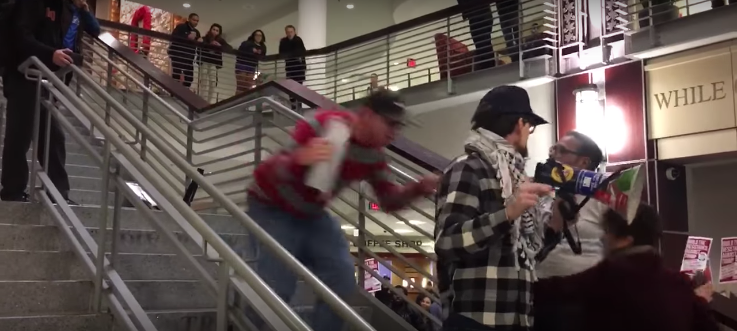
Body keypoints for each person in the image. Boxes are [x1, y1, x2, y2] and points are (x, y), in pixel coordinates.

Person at [245, 89, 438, 330]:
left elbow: (388, 200)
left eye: (398, 126)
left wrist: (419, 187)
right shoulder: (325, 125)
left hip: (311, 214)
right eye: (389, 123)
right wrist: (299, 158)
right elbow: (266, 174)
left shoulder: (373, 156)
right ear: (367, 115)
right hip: (270, 206)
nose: (393, 133)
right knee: (277, 283)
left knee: (342, 277)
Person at [434, 85, 559, 331]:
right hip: (475, 320)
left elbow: (521, 257)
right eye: (530, 127)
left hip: (514, 319)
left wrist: (554, 228)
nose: (529, 134)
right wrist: (508, 213)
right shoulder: (469, 167)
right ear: (520, 123)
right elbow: (447, 242)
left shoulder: (515, 177)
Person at [533, 204, 721, 331]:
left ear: (625, 240)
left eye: (607, 232)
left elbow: (546, 291)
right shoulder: (678, 283)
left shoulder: (608, 277)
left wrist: (552, 232)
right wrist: (700, 302)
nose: (602, 238)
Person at [0, 0, 99, 204]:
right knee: (20, 134)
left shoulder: (62, 7)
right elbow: (21, 36)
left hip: (45, 77)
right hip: (24, 74)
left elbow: (91, 30)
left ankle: (58, 193)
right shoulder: (32, 4)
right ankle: (12, 190)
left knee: (53, 136)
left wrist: (58, 58)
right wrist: (50, 54)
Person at [533, 131, 607, 331]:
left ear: (584, 162)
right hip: (540, 292)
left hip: (585, 298)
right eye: (553, 149)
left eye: (561, 150)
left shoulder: (604, 197)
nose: (552, 154)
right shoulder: (539, 192)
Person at [197, 23, 231, 103]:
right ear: (210, 30)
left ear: (219, 32)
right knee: (204, 81)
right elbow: (199, 47)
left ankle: (209, 102)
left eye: (217, 30)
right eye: (213, 29)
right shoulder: (205, 38)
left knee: (213, 82)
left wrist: (219, 46)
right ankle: (202, 101)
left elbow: (229, 48)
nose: (215, 31)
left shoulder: (221, 41)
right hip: (205, 61)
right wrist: (207, 44)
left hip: (214, 63)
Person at [168, 13, 200, 88]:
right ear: (189, 19)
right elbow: (173, 37)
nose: (196, 22)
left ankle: (184, 94)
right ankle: (174, 93)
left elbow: (198, 44)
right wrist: (187, 37)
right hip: (178, 55)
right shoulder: (181, 27)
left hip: (189, 57)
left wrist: (199, 41)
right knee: (176, 75)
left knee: (189, 78)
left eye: (197, 21)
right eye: (194, 20)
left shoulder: (197, 32)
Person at [235, 29, 266, 93]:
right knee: (241, 85)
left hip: (252, 67)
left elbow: (262, 57)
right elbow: (240, 51)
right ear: (253, 36)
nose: (258, 37)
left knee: (248, 86)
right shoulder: (247, 43)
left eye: (260, 35)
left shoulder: (263, 47)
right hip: (242, 65)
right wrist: (251, 50)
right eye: (257, 35)